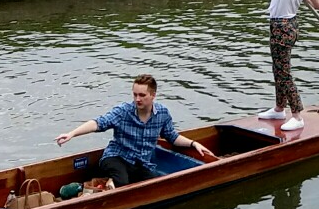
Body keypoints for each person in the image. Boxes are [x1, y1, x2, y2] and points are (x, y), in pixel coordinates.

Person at [55, 74, 218, 188]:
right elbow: (98, 123)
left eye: (142, 95)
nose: (137, 99)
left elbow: (171, 136)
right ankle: (104, 185)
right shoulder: (123, 111)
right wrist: (72, 134)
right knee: (122, 182)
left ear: (153, 95)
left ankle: (115, 184)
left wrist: (193, 143)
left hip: (141, 163)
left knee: (156, 184)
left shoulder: (162, 114)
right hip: (117, 157)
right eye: (135, 95)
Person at [251, 0, 319, 132]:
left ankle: (297, 115)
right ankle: (279, 108)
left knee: (284, 73)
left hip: (280, 27)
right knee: (278, 69)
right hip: (290, 26)